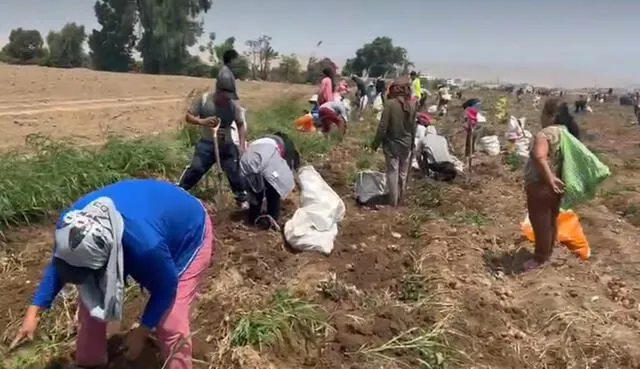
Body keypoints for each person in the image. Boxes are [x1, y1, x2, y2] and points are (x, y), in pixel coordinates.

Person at [11, 179, 214, 369]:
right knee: (92, 301)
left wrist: (142, 332)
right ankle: (89, 363)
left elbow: (166, 287)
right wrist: (34, 312)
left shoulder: (146, 247)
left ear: (108, 260)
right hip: (142, 216)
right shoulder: (70, 226)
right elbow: (59, 264)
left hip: (188, 234)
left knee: (170, 323)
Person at [178, 49, 248, 209]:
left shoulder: (232, 106)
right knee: (196, 168)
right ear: (218, 91)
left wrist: (242, 145)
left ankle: (242, 199)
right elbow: (189, 117)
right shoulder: (203, 101)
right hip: (207, 143)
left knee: (234, 172)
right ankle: (179, 192)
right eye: (226, 96)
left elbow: (241, 124)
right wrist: (203, 122)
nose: (228, 100)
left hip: (227, 144)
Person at [523, 98, 580, 270]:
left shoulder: (546, 133)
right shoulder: (565, 132)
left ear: (551, 115)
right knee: (551, 221)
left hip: (541, 185)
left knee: (540, 222)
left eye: (542, 113)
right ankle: (549, 251)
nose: (540, 117)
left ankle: (540, 257)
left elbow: (539, 156)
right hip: (557, 186)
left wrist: (549, 177)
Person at [240, 132, 300, 230]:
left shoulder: (264, 141)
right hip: (261, 156)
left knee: (257, 189)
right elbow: (286, 170)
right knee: (273, 190)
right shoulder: (286, 147)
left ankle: (254, 218)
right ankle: (272, 218)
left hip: (250, 158)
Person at [371, 77, 416, 207]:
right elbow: (413, 127)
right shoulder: (412, 105)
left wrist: (375, 144)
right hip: (406, 144)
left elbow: (383, 127)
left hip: (392, 144)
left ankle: (393, 203)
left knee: (392, 172)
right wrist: (412, 143)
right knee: (403, 172)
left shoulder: (390, 104)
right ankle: (401, 200)